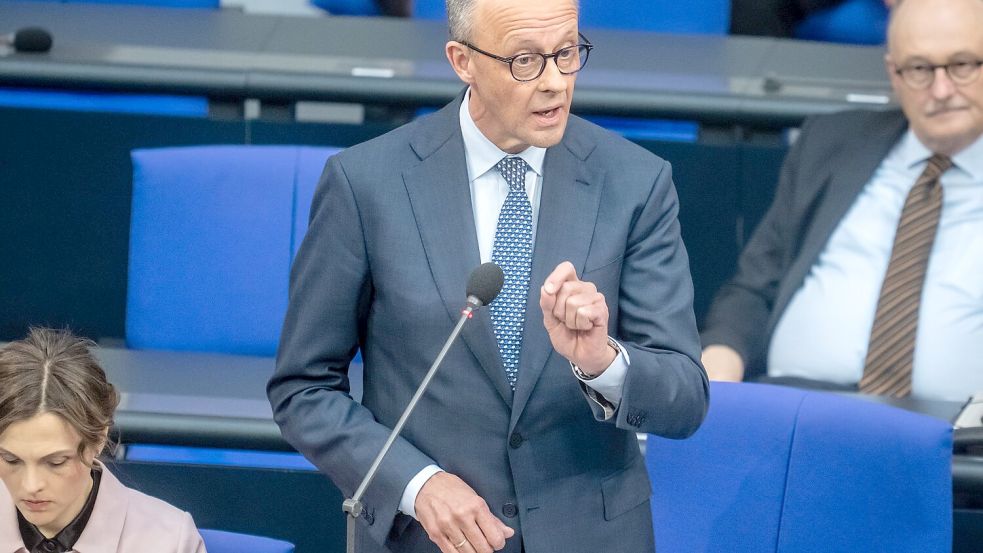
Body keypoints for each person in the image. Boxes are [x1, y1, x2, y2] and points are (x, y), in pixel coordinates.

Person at [267, 0, 710, 551]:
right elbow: (304, 387)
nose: (554, 83)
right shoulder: (367, 185)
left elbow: (686, 398)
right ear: (463, 61)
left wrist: (601, 363)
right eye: (525, 60)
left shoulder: (636, 183)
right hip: (433, 540)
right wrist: (416, 484)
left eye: (567, 53)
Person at [701, 0, 983, 401]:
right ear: (895, 74)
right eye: (920, 69)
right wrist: (718, 371)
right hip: (794, 410)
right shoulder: (831, 144)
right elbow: (754, 289)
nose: (941, 90)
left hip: (955, 437)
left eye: (962, 65)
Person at [0, 328, 206, 553]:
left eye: (56, 462)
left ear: (98, 438)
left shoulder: (169, 542)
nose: (31, 485)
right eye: (10, 460)